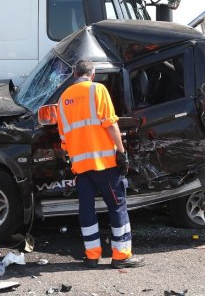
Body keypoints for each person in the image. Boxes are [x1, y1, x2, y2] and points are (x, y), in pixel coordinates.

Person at [56, 60, 145, 269]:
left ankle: (92, 256)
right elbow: (110, 124)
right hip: (103, 164)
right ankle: (121, 256)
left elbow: (63, 139)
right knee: (117, 206)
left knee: (86, 210)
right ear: (93, 74)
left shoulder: (63, 99)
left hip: (80, 167)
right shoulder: (98, 90)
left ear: (75, 74)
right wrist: (122, 153)